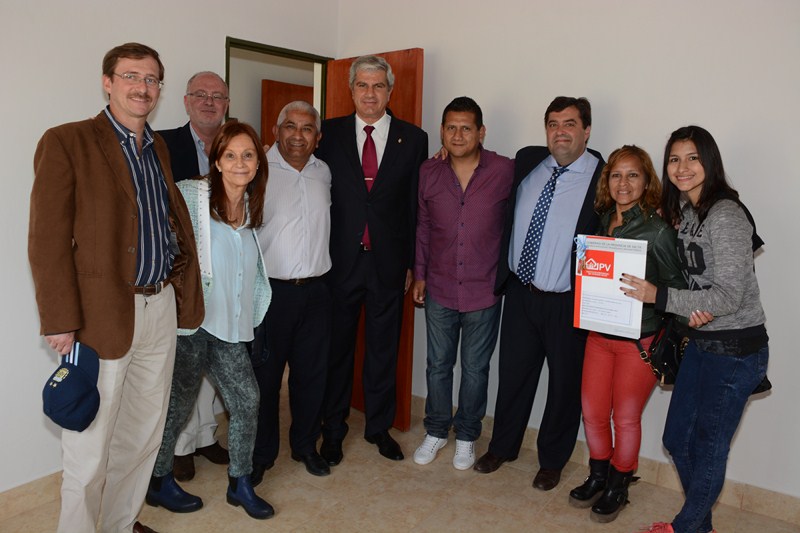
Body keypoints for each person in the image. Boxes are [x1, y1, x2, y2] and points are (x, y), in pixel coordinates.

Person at [28, 42, 204, 533]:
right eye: (131, 76)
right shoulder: (67, 141)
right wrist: (60, 320)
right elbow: (46, 239)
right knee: (89, 445)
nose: (142, 88)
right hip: (100, 314)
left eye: (151, 79)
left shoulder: (157, 147)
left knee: (142, 435)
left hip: (159, 306)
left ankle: (121, 524)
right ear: (108, 82)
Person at [621, 126, 769, 533]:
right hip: (701, 343)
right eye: (674, 159)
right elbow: (698, 284)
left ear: (709, 161)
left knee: (708, 446)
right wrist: (690, 306)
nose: (682, 167)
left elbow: (728, 297)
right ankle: (699, 527)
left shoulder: (726, 214)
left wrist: (660, 296)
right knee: (676, 439)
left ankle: (686, 527)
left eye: (692, 158)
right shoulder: (687, 213)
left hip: (736, 350)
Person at [474, 97, 604, 493]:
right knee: (513, 377)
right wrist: (448, 154)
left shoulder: (603, 176)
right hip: (520, 293)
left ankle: (551, 461)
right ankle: (502, 447)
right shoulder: (528, 161)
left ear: (586, 131)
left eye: (570, 124)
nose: (560, 131)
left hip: (567, 301)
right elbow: (484, 164)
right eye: (553, 124)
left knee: (564, 387)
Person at [146, 121, 275, 520]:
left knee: (247, 401)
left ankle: (240, 482)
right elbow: (163, 244)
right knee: (177, 407)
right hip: (193, 325)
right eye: (230, 155)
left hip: (230, 328)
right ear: (216, 161)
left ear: (258, 163)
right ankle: (158, 480)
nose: (240, 163)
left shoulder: (252, 204)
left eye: (248, 155)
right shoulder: (191, 195)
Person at [316, 55, 428, 465]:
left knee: (384, 350)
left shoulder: (413, 138)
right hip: (339, 262)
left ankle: (379, 428)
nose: (370, 93)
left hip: (388, 264)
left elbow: (415, 207)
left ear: (389, 91)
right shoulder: (327, 133)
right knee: (337, 351)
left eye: (378, 85)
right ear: (351, 89)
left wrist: (413, 263)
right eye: (362, 85)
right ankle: (333, 429)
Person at [567, 145, 685, 523]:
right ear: (607, 181)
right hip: (598, 336)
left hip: (639, 341)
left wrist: (653, 294)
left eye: (633, 174)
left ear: (646, 181)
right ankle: (598, 474)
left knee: (626, 418)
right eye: (616, 174)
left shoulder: (659, 230)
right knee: (592, 412)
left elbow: (678, 288)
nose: (624, 182)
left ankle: (619, 484)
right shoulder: (601, 222)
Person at [411, 97, 513, 470]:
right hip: (439, 287)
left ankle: (467, 435)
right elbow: (423, 227)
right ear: (442, 131)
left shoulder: (504, 170)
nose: (458, 135)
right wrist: (419, 274)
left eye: (466, 128)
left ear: (481, 132)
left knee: (475, 369)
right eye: (451, 128)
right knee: (438, 365)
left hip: (484, 290)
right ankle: (437, 430)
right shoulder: (428, 172)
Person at [250, 101, 332, 482]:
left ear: (318, 136)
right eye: (290, 126)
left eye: (307, 128)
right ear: (276, 130)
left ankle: (305, 446)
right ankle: (261, 455)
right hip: (271, 295)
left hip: (317, 293)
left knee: (311, 377)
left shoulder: (324, 172)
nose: (298, 135)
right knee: (265, 380)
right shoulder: (257, 170)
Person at [158, 71, 231, 481]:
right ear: (186, 101)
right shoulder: (162, 144)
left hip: (222, 271)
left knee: (211, 356)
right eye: (200, 95)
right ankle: (180, 446)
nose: (209, 102)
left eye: (217, 96)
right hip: (181, 271)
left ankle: (205, 436)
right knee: (184, 363)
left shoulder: (235, 144)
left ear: (227, 104)